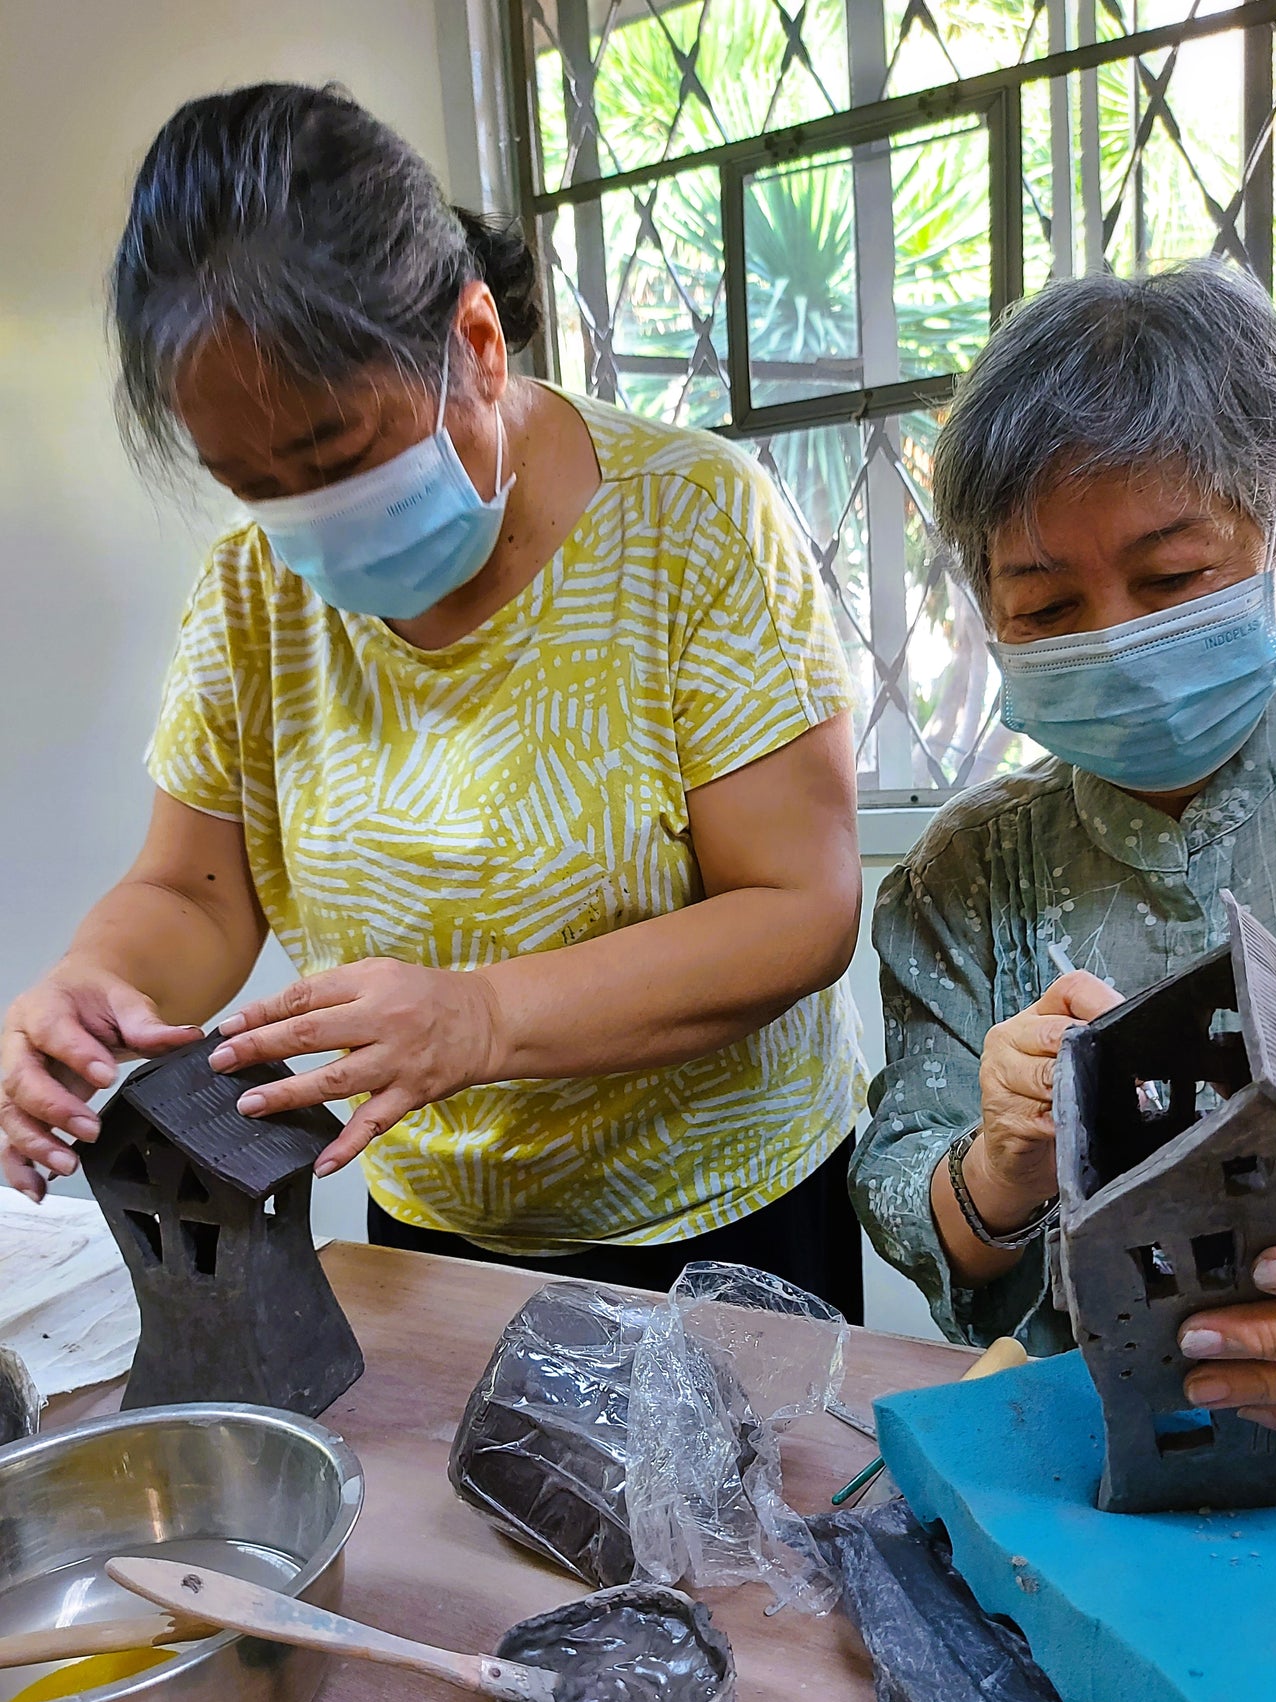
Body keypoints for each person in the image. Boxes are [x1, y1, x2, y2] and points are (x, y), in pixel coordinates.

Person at [0, 82, 869, 1319]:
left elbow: (798, 908)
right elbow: (192, 891)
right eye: (253, 484)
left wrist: (483, 1015)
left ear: (474, 343)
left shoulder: (693, 521)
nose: (309, 522)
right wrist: (96, 987)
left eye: (340, 458)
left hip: (718, 1223)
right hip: (429, 1226)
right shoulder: (253, 594)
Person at [851, 260, 1276, 1429]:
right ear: (984, 605)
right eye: (1048, 607)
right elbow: (904, 1192)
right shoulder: (964, 876)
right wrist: (997, 1167)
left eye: (1170, 577)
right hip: (1101, 1449)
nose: (1118, 643)